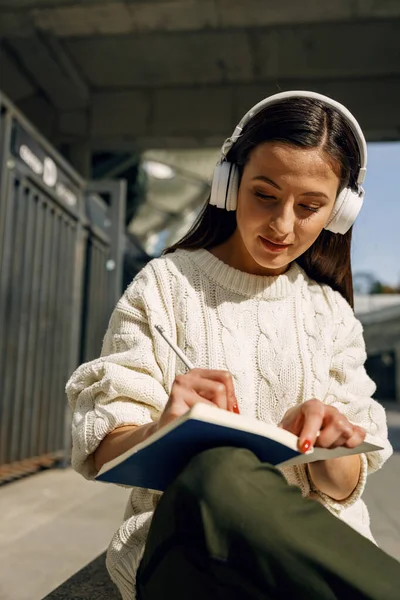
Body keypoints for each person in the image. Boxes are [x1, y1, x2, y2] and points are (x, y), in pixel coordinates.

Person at [66, 90, 400, 600]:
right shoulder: (164, 287)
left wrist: (331, 447)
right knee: (219, 469)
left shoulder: (332, 315)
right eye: (264, 195)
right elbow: (101, 446)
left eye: (310, 207)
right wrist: (164, 430)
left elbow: (341, 487)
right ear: (228, 183)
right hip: (187, 554)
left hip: (302, 566)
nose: (283, 226)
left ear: (340, 212)